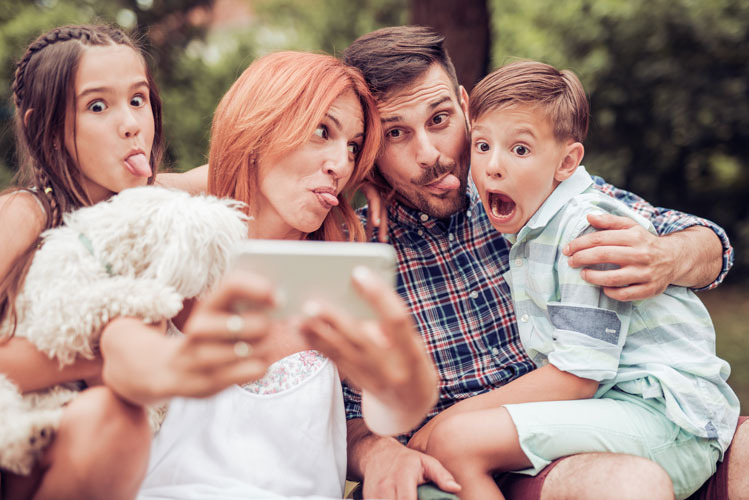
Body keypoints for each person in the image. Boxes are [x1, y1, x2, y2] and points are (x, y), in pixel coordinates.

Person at [330, 26, 748, 500]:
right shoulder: (350, 251)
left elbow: (708, 243)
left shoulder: (538, 192)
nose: (430, 155)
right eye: (396, 133)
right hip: (448, 468)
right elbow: (339, 413)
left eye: (441, 119)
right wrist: (377, 452)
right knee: (627, 484)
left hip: (575, 427)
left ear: (466, 108)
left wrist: (667, 257)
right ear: (367, 145)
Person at [0, 24, 285, 500]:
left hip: (98, 445)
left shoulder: (147, 205)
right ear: (42, 128)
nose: (131, 123)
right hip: (17, 437)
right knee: (115, 391)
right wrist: (101, 355)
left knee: (117, 418)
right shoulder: (27, 211)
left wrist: (371, 172)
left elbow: (238, 173)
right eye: (97, 106)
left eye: (138, 100)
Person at [136, 51, 438, 500]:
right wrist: (223, 173)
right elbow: (104, 196)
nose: (341, 164)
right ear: (259, 126)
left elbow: (393, 408)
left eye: (354, 148)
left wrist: (408, 387)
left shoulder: (339, 278)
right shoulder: (171, 250)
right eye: (322, 132)